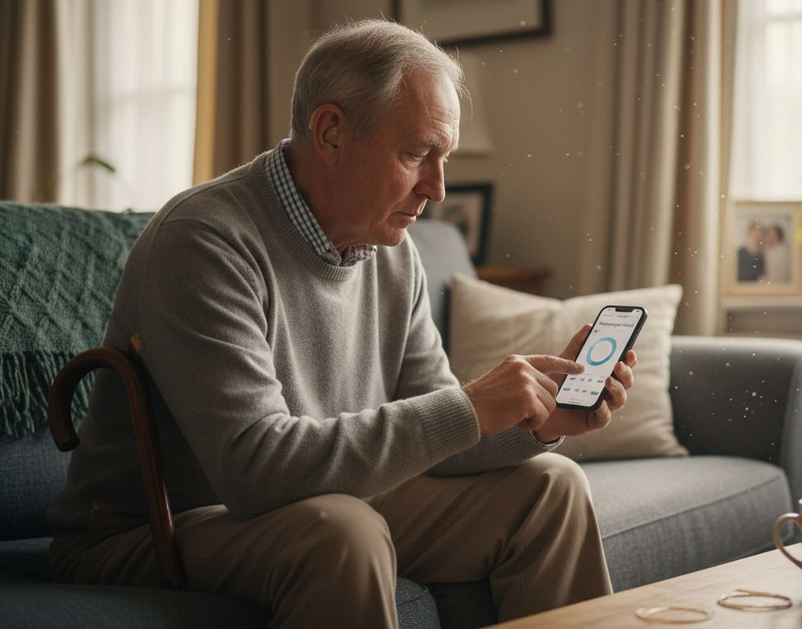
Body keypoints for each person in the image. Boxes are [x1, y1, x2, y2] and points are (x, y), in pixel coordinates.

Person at [47, 19, 635, 628]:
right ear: (330, 132)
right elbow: (254, 472)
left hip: (319, 501)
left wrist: (535, 422)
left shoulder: (392, 251)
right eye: (417, 154)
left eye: (444, 158)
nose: (437, 189)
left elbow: (438, 436)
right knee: (343, 532)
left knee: (551, 487)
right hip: (156, 528)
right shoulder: (203, 242)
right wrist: (468, 407)